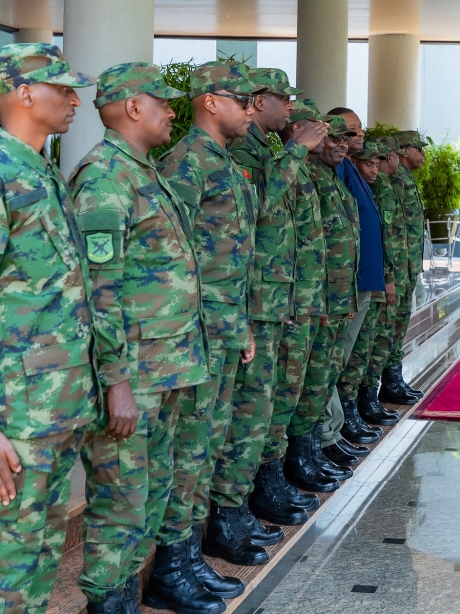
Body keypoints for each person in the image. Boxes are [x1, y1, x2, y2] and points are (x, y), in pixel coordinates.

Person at [0, 42, 97, 613]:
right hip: (13, 420)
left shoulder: (41, 173)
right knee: (1, 578)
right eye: (63, 87)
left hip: (55, 410)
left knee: (35, 565)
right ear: (26, 94)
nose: (75, 99)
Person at [68, 62, 210, 613]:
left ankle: (128, 596)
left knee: (147, 499)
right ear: (133, 107)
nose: (172, 111)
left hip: (167, 367)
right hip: (135, 377)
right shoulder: (104, 177)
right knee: (120, 505)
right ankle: (109, 604)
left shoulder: (143, 171)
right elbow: (99, 292)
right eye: (163, 102)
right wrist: (117, 382)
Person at [155, 60, 264, 612]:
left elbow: (234, 258)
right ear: (210, 101)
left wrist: (239, 322)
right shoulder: (185, 164)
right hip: (194, 334)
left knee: (207, 446)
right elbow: (175, 262)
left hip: (223, 329)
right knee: (189, 450)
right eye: (242, 100)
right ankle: (171, 564)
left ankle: (190, 554)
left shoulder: (222, 161)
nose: (252, 110)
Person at [203, 68, 322, 562]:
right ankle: (231, 512)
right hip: (248, 305)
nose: (288, 109)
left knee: (264, 408)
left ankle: (250, 498)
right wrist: (296, 153)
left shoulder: (256, 152)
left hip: (271, 301)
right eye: (282, 99)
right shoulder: (242, 154)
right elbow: (261, 215)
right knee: (247, 414)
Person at [263, 98, 349, 498]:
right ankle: (274, 476)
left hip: (313, 300)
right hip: (287, 304)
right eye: (313, 125)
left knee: (310, 385)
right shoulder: (283, 165)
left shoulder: (315, 173)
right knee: (282, 394)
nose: (325, 134)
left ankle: (304, 454)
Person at [299, 114, 368, 476]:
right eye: (334, 139)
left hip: (339, 296)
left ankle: (317, 447)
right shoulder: (304, 174)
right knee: (311, 381)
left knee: (325, 375)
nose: (341, 145)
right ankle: (307, 453)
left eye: (346, 140)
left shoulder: (330, 177)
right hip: (319, 299)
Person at [333, 138, 404, 433]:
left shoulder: (366, 183)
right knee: (344, 356)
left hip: (370, 278)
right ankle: (338, 423)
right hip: (351, 282)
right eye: (369, 163)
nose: (374, 169)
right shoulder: (342, 174)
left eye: (378, 163)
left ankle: (350, 413)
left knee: (359, 351)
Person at [358, 136, 418, 416]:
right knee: (377, 338)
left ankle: (389, 382)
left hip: (402, 271)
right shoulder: (378, 187)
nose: (389, 161)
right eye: (383, 157)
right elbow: (382, 237)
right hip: (386, 276)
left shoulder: (389, 185)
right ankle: (368, 397)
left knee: (390, 334)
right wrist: (388, 275)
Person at [381, 130, 429, 401]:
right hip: (397, 267)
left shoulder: (405, 177)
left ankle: (393, 379)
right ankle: (387, 383)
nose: (422, 154)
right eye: (417, 148)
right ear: (401, 151)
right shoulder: (394, 179)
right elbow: (391, 229)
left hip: (407, 266)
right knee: (389, 329)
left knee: (398, 327)